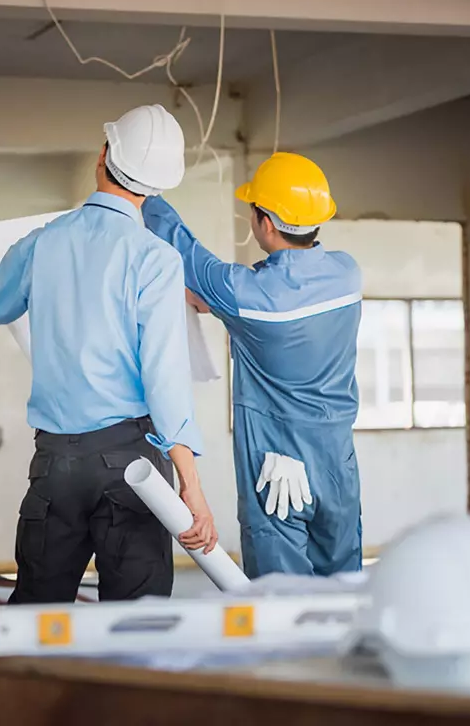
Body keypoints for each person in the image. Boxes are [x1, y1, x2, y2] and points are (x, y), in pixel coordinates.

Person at [0, 104, 217, 603]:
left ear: (103, 155)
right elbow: (165, 380)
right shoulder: (156, 260)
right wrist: (192, 487)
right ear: (157, 187)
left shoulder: (43, 244)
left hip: (55, 462)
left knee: (35, 614)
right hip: (132, 466)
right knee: (135, 624)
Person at [142, 152, 361, 578]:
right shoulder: (347, 274)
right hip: (338, 463)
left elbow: (186, 252)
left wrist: (146, 194)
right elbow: (274, 295)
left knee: (280, 602)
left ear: (266, 222)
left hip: (278, 465)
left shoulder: (245, 294)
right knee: (344, 591)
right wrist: (223, 306)